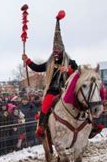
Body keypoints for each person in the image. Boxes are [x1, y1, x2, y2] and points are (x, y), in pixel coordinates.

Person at [22, 11, 78, 139]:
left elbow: (78, 73)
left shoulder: (71, 62)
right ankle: (41, 126)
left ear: (63, 50)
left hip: (68, 89)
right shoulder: (50, 62)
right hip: (53, 90)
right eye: (54, 50)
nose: (56, 52)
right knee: (46, 104)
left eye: (58, 50)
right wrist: (27, 60)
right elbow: (37, 67)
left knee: (82, 100)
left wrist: (68, 70)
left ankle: (90, 124)